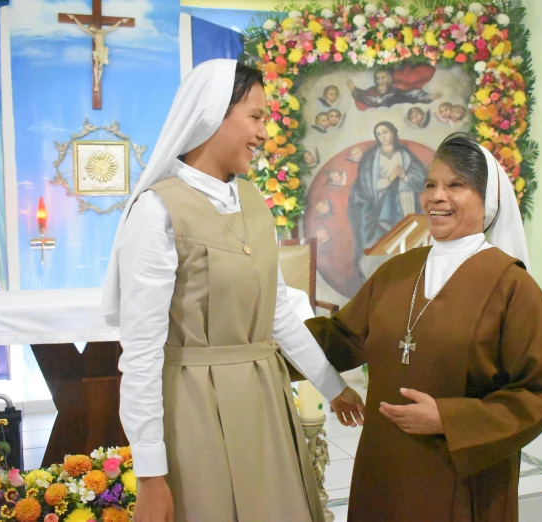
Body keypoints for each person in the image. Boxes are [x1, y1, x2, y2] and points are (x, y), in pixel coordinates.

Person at [101, 59, 364, 522]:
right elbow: (141, 352)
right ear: (211, 114)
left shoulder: (253, 202)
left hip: (265, 399)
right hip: (194, 408)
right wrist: (150, 475)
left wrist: (333, 385)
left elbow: (278, 314)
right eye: (256, 116)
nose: (264, 133)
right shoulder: (158, 212)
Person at [306, 133, 542, 521]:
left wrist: (449, 418)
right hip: (385, 465)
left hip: (461, 472)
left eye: (455, 185)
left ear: (487, 199)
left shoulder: (512, 285)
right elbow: (342, 338)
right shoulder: (398, 271)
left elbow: (538, 390)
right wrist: (264, 337)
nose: (436, 197)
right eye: (430, 185)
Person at [349, 121, 426, 282]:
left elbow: (420, 180)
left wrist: (404, 176)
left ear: (393, 132)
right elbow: (366, 186)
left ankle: (405, 282)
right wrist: (390, 178)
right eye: (379, 134)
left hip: (405, 204)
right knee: (381, 245)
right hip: (378, 208)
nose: (383, 136)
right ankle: (380, 283)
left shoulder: (405, 154)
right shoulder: (371, 158)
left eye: (386, 132)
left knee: (405, 245)